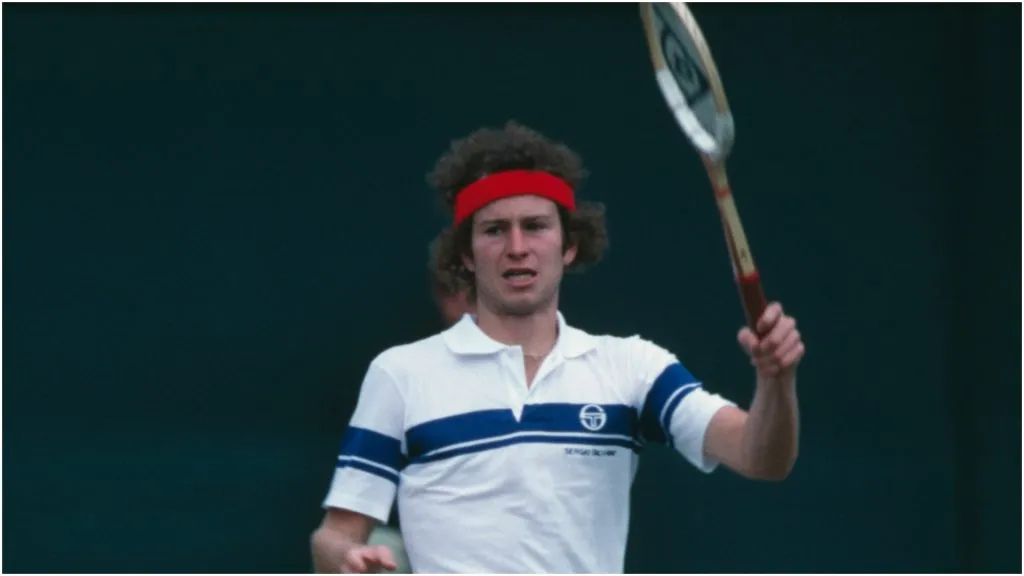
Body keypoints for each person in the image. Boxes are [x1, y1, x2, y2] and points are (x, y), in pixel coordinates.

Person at [310, 121, 805, 574]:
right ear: (466, 253)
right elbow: (334, 536)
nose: (518, 246)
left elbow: (762, 457)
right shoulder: (401, 373)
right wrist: (348, 560)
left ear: (569, 246)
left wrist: (776, 381)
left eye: (536, 226)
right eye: (495, 230)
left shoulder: (633, 367)